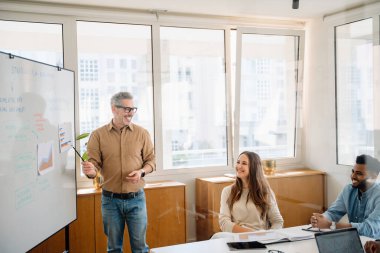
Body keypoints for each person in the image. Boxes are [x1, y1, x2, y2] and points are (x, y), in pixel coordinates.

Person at [82, 91, 155, 253]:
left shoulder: (142, 133)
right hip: (110, 201)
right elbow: (93, 167)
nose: (131, 113)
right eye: (127, 109)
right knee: (114, 249)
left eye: (133, 109)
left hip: (137, 199)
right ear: (114, 109)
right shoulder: (98, 135)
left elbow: (151, 162)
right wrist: (91, 171)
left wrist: (141, 172)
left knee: (140, 248)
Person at [310, 154, 380, 238]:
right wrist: (321, 219)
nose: (353, 176)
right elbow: (333, 213)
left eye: (359, 174)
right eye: (353, 172)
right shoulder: (348, 190)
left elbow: (369, 229)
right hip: (354, 241)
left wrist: (331, 225)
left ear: (374, 176)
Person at [219, 151, 284, 233]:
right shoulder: (227, 191)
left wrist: (269, 237)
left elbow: (277, 221)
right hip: (237, 238)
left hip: (261, 238)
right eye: (238, 162)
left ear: (254, 168)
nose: (239, 166)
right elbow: (224, 222)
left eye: (244, 163)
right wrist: (252, 234)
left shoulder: (266, 192)